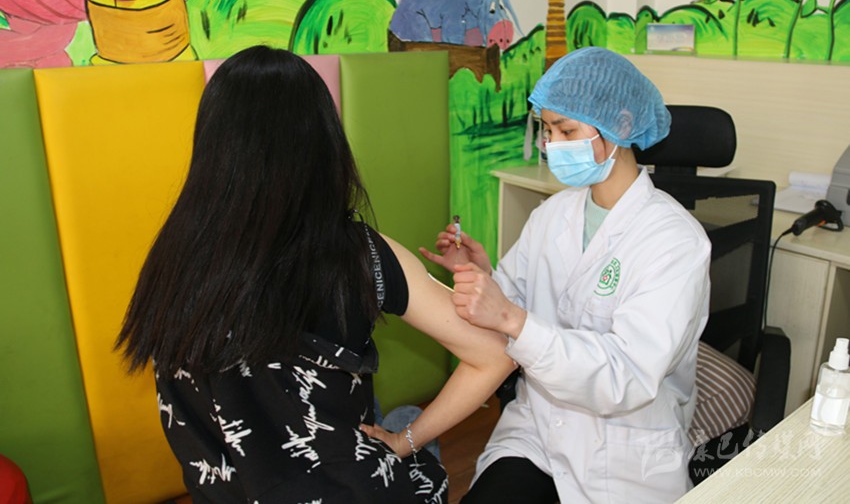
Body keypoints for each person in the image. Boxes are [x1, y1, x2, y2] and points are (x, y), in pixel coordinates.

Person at [116, 46, 515, 503]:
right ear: (322, 142)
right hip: (346, 489)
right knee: (403, 420)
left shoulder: (172, 260)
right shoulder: (358, 252)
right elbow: (495, 354)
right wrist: (406, 441)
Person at [421, 47, 711, 503]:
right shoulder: (552, 214)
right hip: (538, 430)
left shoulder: (675, 241)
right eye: (548, 130)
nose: (553, 144)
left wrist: (512, 318)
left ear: (622, 126)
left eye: (567, 130)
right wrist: (480, 276)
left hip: (623, 452)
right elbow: (513, 303)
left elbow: (625, 377)